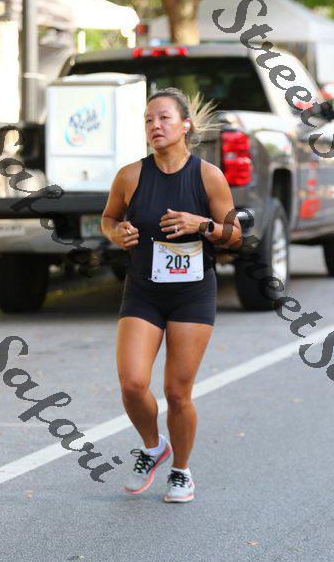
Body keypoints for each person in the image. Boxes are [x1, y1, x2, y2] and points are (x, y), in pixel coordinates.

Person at [101, 87, 242, 503]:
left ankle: (181, 471)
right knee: (132, 383)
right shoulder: (130, 176)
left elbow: (235, 235)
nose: (155, 126)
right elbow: (108, 218)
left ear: (185, 126)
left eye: (164, 118)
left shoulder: (208, 176)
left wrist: (202, 225)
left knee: (178, 393)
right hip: (143, 291)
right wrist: (117, 233)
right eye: (148, 120)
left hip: (192, 295)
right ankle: (153, 447)